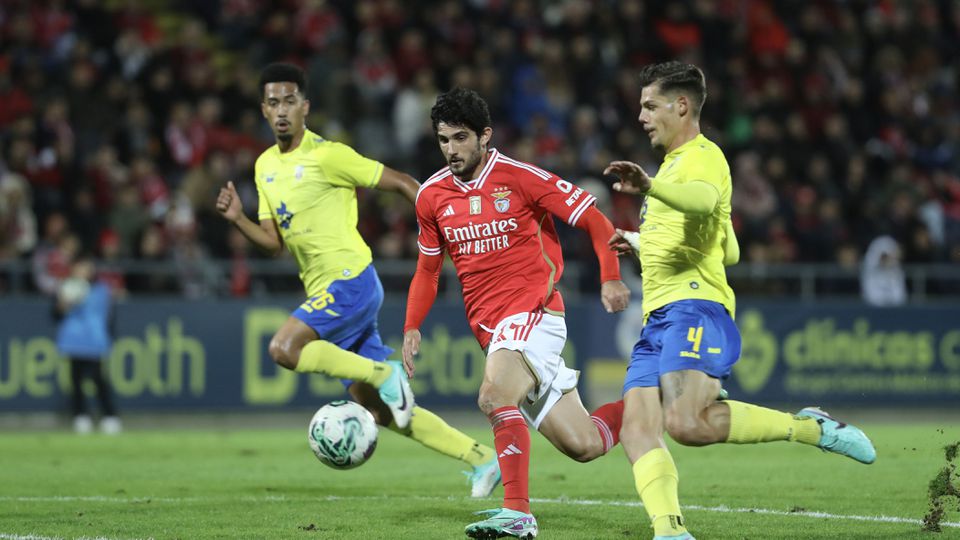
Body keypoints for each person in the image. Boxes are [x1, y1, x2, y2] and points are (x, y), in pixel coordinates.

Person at [606, 61, 877, 540]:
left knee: (686, 424)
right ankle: (669, 530)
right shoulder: (671, 169)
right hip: (656, 317)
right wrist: (641, 241)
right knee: (637, 429)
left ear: (682, 105)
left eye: (650, 106)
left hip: (695, 307)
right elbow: (727, 248)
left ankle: (811, 428)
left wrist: (653, 188)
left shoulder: (702, 156)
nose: (641, 116)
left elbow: (704, 204)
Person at [215, 63, 500, 497]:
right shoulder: (264, 167)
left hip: (350, 281)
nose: (281, 110)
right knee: (382, 412)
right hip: (329, 292)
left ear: (305, 106)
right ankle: (480, 458)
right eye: (273, 102)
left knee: (284, 348)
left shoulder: (329, 155)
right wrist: (237, 219)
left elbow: (403, 182)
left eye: (290, 100)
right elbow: (273, 243)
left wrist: (445, 222)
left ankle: (384, 375)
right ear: (263, 109)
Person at [402, 87, 632, 539]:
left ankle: (518, 514)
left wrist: (610, 276)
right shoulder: (431, 197)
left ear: (485, 135)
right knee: (584, 444)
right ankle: (657, 401)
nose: (451, 149)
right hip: (491, 330)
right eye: (443, 139)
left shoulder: (520, 177)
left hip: (534, 312)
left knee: (492, 396)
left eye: (460, 138)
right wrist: (412, 326)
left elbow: (593, 219)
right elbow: (428, 271)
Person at [55, 253, 121, 434]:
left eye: (86, 267)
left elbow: (108, 316)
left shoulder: (101, 289)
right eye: (79, 267)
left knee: (98, 380)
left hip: (94, 340)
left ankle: (109, 416)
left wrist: (109, 336)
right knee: (76, 381)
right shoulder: (66, 287)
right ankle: (81, 416)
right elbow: (56, 315)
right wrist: (63, 304)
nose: (83, 270)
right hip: (74, 340)